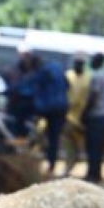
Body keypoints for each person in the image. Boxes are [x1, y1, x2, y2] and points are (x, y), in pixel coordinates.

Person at [26, 47, 70, 175]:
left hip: (49, 108)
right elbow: (68, 85)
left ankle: (35, 153)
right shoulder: (57, 67)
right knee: (54, 137)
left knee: (37, 128)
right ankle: (51, 165)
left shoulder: (41, 72)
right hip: (62, 107)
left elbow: (30, 88)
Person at [82, 52, 104, 183]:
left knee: (92, 147)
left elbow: (93, 96)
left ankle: (92, 174)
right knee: (98, 148)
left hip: (96, 116)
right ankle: (96, 173)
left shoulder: (97, 77)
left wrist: (84, 112)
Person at [62, 52, 91, 176]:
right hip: (67, 117)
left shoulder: (88, 77)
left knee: (77, 149)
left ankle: (69, 169)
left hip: (81, 118)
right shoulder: (68, 75)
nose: (78, 65)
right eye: (76, 63)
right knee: (69, 146)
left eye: (81, 63)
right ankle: (66, 170)